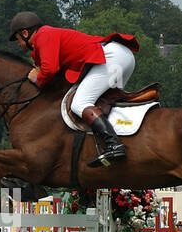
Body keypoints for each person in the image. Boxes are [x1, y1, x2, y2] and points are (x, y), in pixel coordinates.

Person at [8, 12, 139, 167]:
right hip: (120, 56)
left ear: (25, 33)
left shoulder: (43, 36)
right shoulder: (45, 39)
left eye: (17, 39)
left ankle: (115, 145)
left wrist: (36, 79)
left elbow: (49, 70)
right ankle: (124, 142)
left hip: (111, 57)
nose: (18, 43)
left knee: (79, 103)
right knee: (103, 104)